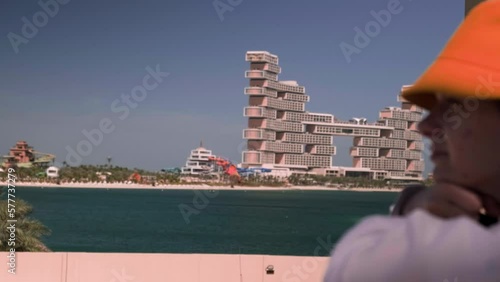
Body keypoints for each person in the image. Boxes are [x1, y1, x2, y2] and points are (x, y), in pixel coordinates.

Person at [324, 1, 500, 281]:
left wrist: (411, 210)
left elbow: (353, 268)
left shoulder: (427, 256)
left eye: (453, 105)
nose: (426, 126)